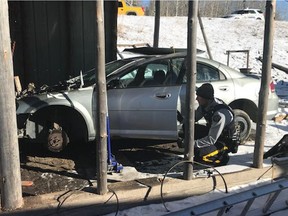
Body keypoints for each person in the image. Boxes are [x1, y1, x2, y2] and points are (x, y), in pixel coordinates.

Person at [193, 83, 240, 166]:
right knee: (190, 128)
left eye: (198, 97)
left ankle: (222, 157)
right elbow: (193, 119)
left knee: (199, 155)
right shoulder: (205, 105)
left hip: (224, 141)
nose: (196, 99)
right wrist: (181, 119)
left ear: (206, 98)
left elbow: (211, 139)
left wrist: (191, 144)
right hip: (215, 134)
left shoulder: (220, 114)